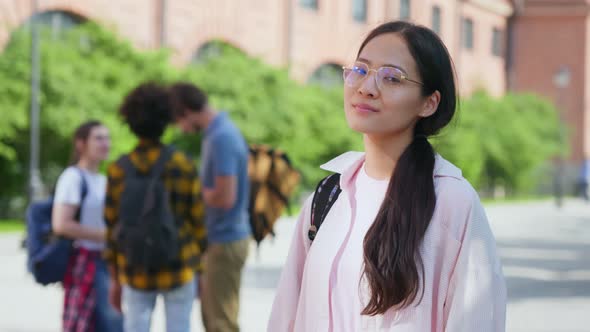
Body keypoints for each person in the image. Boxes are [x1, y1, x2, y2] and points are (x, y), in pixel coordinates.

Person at [268, 21, 506, 331]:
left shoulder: (451, 202)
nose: (366, 87)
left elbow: (476, 320)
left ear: (428, 102)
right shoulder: (329, 194)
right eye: (360, 70)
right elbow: (287, 313)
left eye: (392, 78)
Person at [104, 82, 207, 332]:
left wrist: (115, 280)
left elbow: (111, 230)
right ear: (167, 120)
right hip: (179, 265)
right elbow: (198, 223)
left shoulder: (118, 169)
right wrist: (200, 270)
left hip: (134, 266)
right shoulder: (182, 164)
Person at [170, 82, 251, 332]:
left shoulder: (221, 137)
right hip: (222, 239)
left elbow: (225, 196)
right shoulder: (219, 133)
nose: (181, 129)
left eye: (178, 121)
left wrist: (189, 192)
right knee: (214, 319)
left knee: (221, 323)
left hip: (225, 240)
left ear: (186, 110)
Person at [52, 120, 123, 332]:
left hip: (106, 261)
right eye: (99, 138)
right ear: (81, 144)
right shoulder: (73, 178)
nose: (105, 143)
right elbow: (61, 224)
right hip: (85, 262)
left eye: (107, 138)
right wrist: (106, 235)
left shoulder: (103, 179)